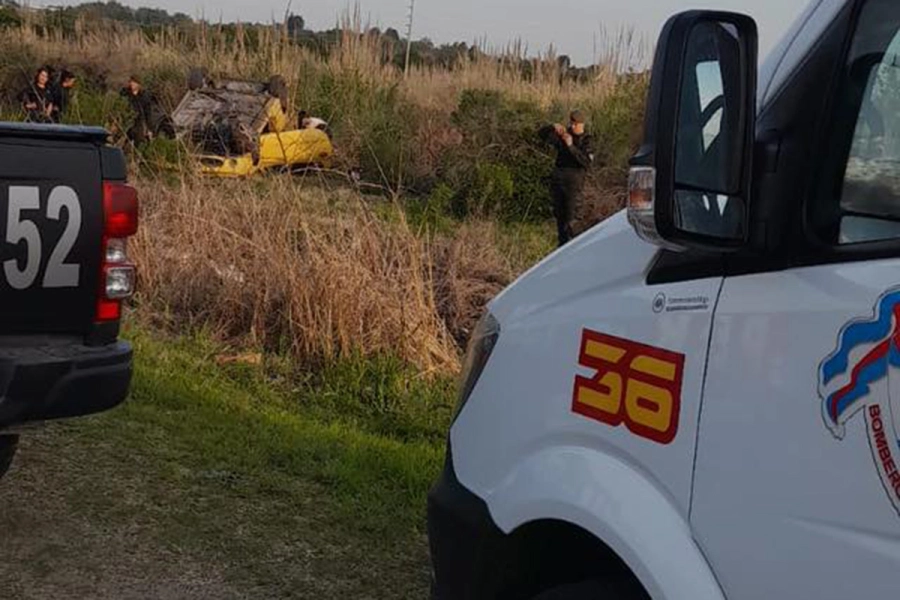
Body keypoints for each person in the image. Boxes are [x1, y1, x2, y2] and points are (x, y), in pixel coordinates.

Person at [539, 110, 595, 246]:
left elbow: (586, 162)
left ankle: (572, 249)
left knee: (572, 222)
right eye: (571, 123)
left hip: (574, 186)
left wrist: (571, 146)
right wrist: (552, 127)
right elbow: (541, 135)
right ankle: (561, 247)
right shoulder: (564, 135)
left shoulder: (587, 140)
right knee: (560, 219)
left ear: (582, 125)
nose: (573, 126)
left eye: (576, 124)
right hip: (559, 182)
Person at [120, 75, 175, 145]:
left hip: (143, 121)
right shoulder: (126, 94)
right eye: (131, 82)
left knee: (141, 140)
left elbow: (148, 112)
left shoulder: (145, 95)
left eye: (135, 82)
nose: (133, 84)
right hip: (131, 121)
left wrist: (149, 128)